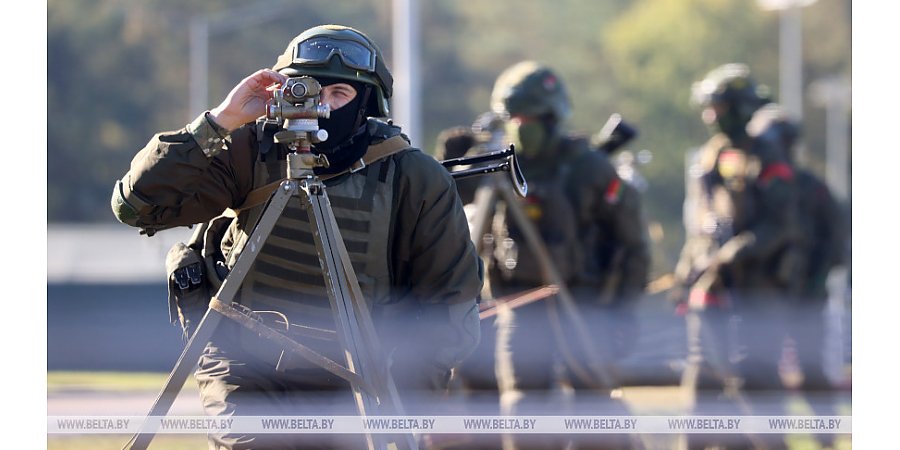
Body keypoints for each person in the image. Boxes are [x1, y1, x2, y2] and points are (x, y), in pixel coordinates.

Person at [111, 24, 483, 450]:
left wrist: (404, 405)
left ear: (366, 104)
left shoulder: (411, 176)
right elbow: (137, 205)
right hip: (244, 359)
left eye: (339, 94)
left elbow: (450, 305)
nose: (320, 105)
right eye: (306, 89)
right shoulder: (249, 149)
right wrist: (220, 120)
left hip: (361, 369)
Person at [438, 61, 650, 450]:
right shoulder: (500, 163)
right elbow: (444, 205)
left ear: (552, 117)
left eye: (531, 117)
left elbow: (633, 245)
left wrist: (621, 308)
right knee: (524, 412)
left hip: (586, 305)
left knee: (596, 415)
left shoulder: (589, 168)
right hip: (520, 305)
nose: (523, 125)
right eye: (515, 118)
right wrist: (458, 163)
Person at [675, 63, 802, 449]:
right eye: (710, 108)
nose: (713, 117)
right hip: (711, 295)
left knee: (758, 393)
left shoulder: (768, 158)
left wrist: (736, 251)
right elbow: (699, 227)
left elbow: (782, 224)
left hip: (757, 295)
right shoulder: (709, 158)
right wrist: (685, 275)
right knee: (703, 389)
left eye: (722, 107)